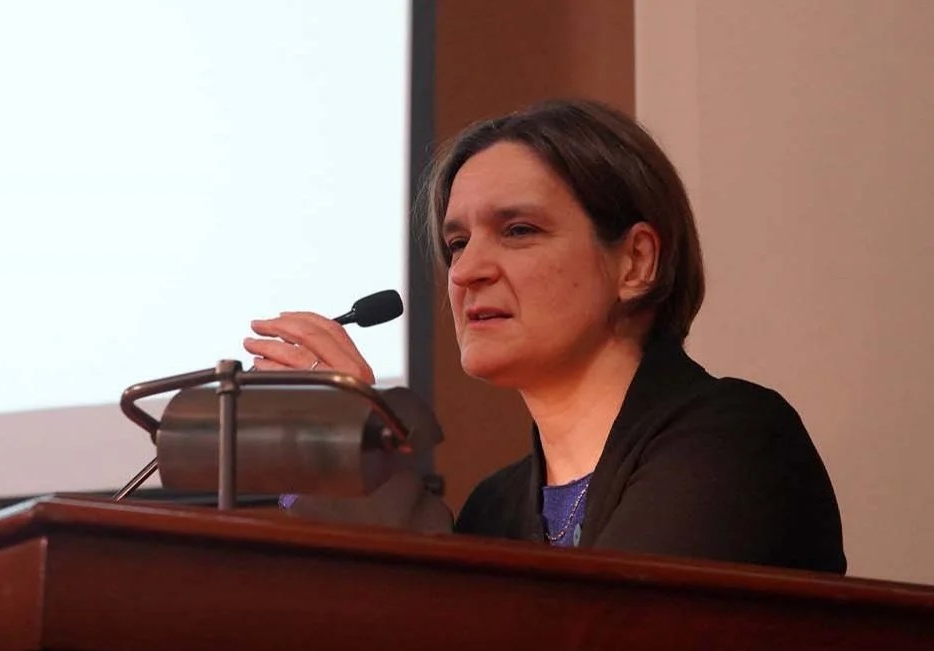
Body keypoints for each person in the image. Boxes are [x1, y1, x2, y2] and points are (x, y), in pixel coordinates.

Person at [246, 99, 847, 574]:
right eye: (457, 244)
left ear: (635, 262)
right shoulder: (495, 508)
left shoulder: (735, 440)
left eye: (518, 230)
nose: (466, 271)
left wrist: (357, 453)